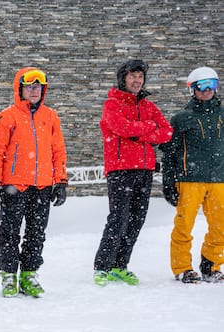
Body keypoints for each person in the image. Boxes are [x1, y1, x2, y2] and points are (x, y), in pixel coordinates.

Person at [0, 67, 68, 298]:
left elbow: (58, 151)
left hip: (42, 186)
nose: (34, 90)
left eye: (38, 87)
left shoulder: (50, 117)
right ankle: (9, 275)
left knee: (36, 233)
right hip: (14, 186)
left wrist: (60, 181)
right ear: (19, 89)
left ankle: (29, 274)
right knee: (10, 232)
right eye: (29, 86)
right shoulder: (7, 117)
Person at [93, 59, 172, 286]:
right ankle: (102, 266)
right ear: (123, 79)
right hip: (120, 170)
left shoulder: (148, 106)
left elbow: (166, 132)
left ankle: (120, 265)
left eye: (140, 77)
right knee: (118, 218)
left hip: (145, 170)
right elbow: (121, 128)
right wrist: (148, 128)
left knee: (137, 219)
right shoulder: (112, 104)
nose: (137, 81)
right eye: (132, 76)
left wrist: (139, 133)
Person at [161, 66, 224, 284]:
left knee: (221, 226)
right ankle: (182, 268)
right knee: (184, 226)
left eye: (212, 85)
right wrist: (169, 182)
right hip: (190, 180)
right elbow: (169, 154)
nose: (207, 91)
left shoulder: (222, 116)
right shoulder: (181, 118)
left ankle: (211, 265)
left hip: (219, 179)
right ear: (192, 89)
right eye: (202, 86)